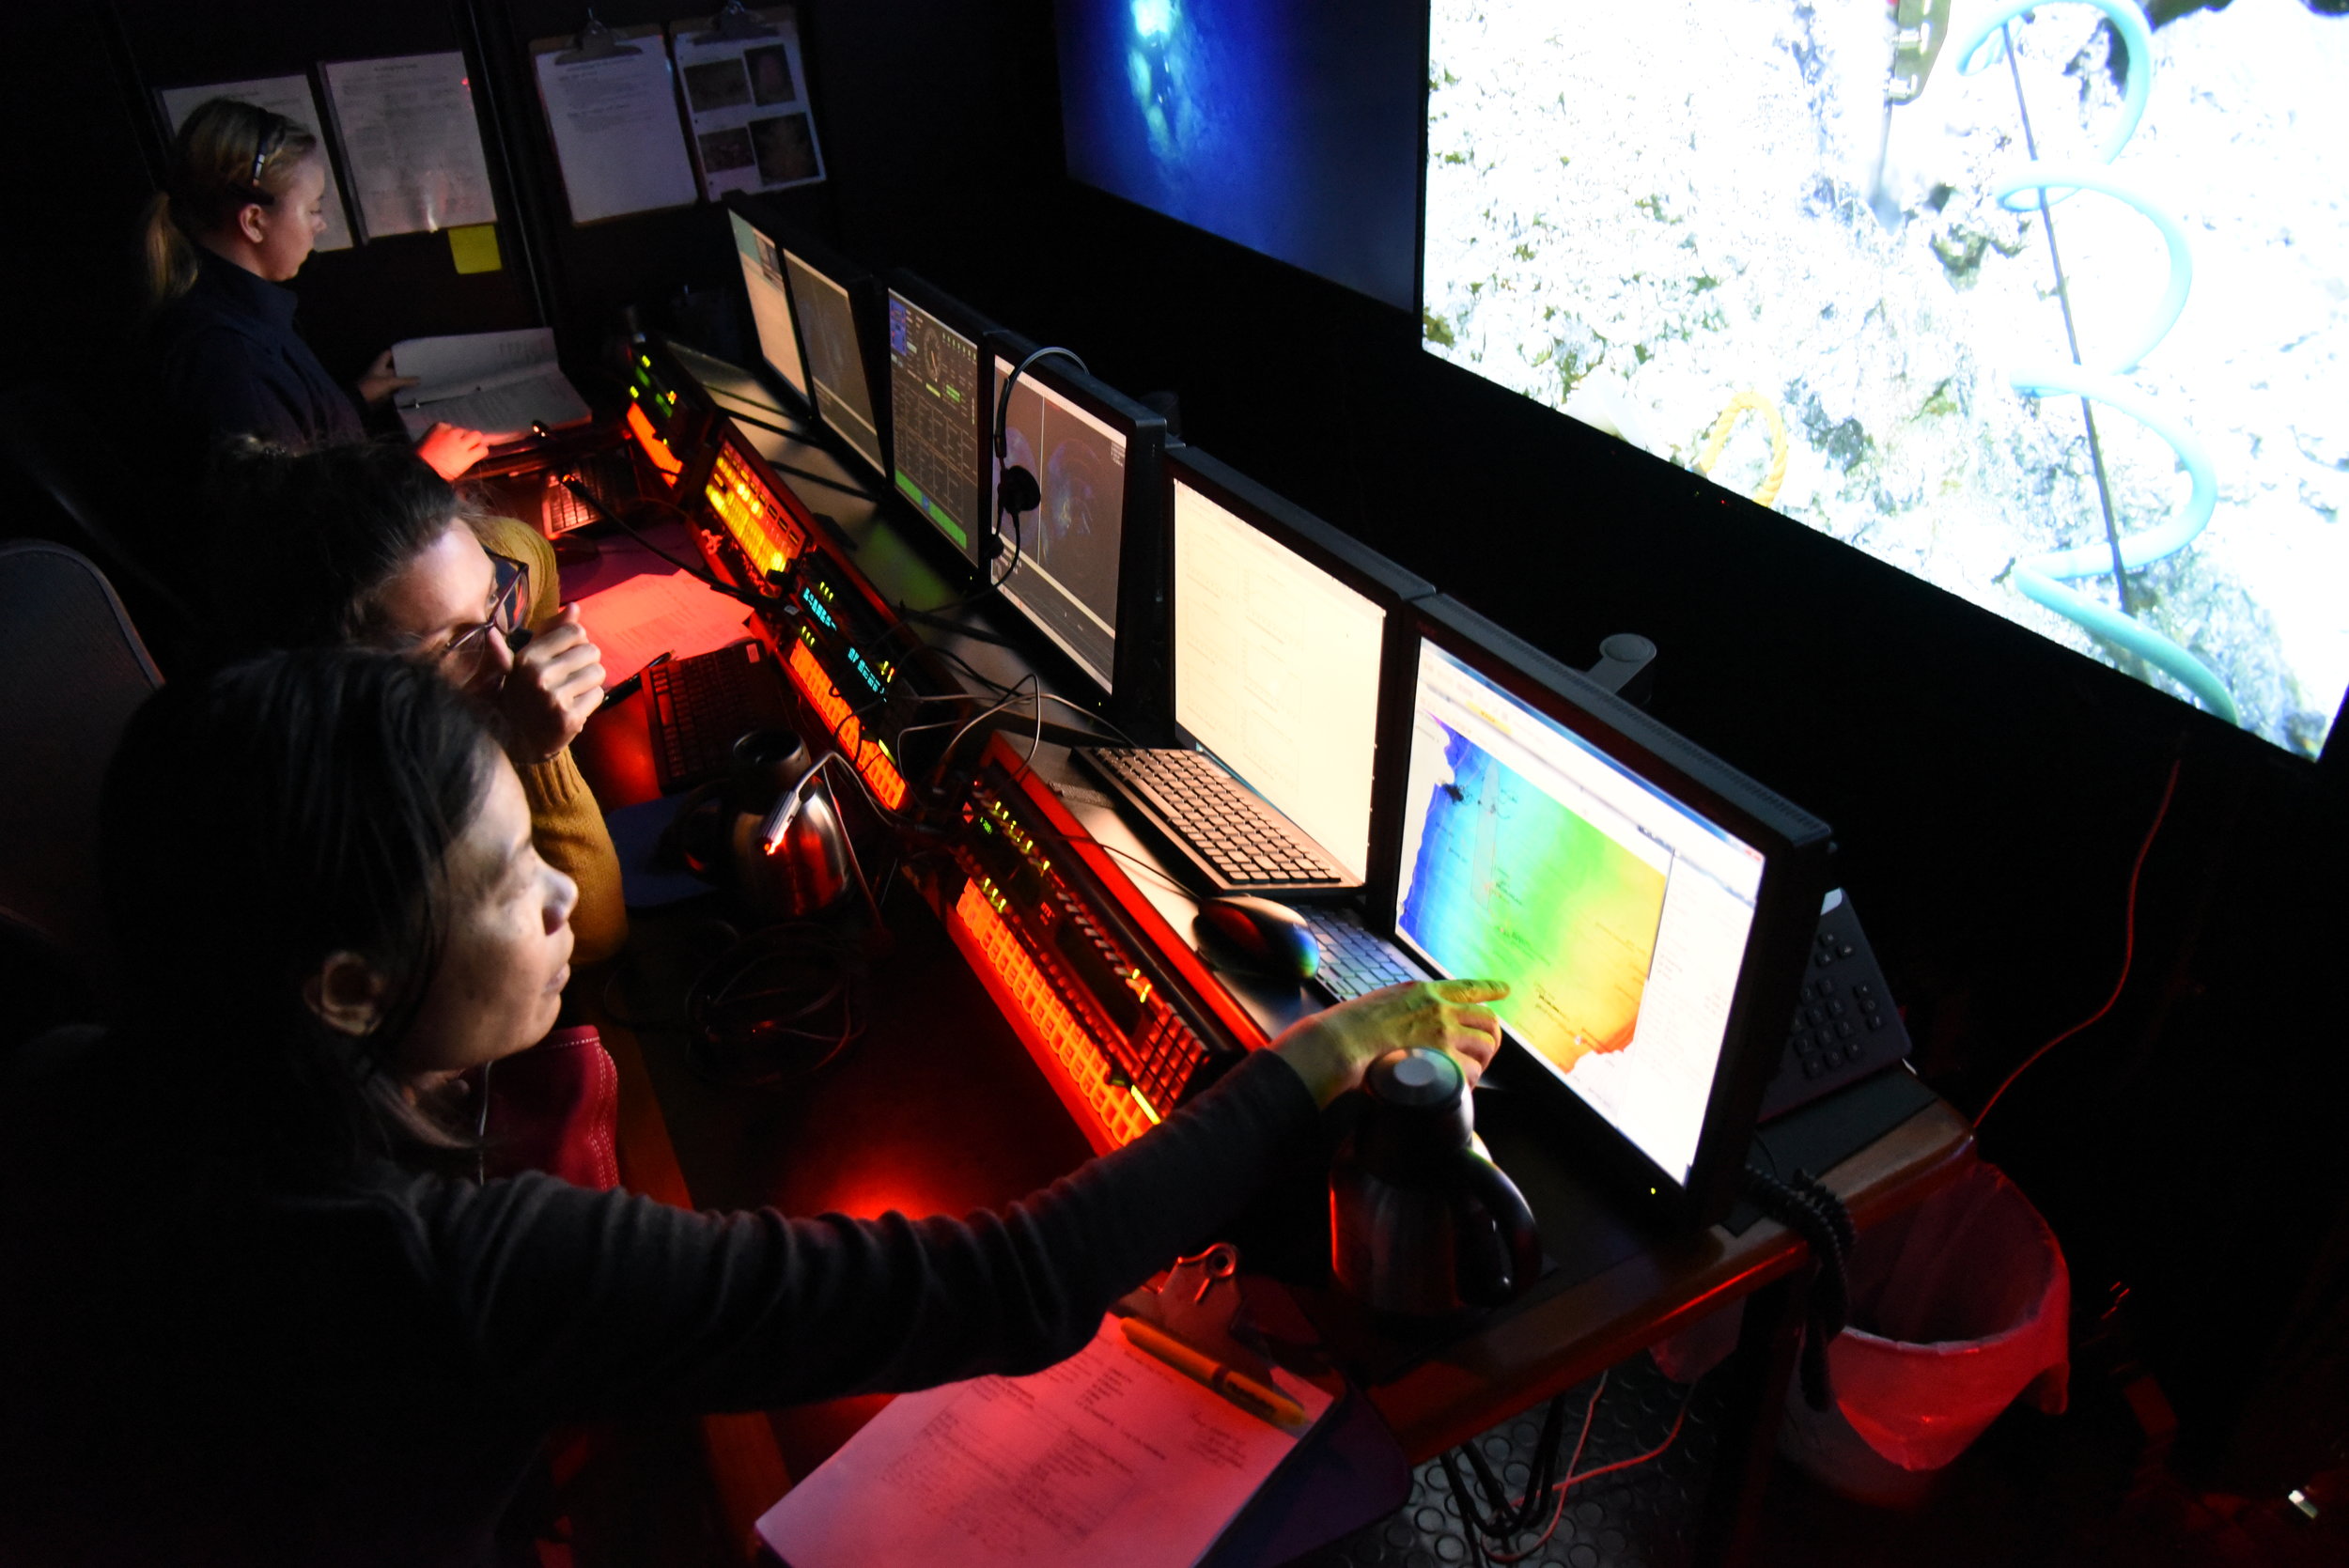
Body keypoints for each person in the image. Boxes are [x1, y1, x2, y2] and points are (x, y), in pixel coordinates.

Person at [0, 647, 1508, 1566]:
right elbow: (1012, 1284)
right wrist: (1316, 1062)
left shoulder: (73, 1078)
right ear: (342, 987)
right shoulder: (432, 1270)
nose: (553, 898)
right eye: (502, 874)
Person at [206, 436, 628, 967]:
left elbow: (528, 550)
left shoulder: (490, 557)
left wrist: (531, 627)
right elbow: (594, 937)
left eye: (494, 599)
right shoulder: (352, 807)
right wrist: (526, 753)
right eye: (453, 646)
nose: (506, 659)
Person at [140, 97, 484, 480]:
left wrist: (353, 400)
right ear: (254, 222)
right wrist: (423, 470)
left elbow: (296, 434)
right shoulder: (227, 360)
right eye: (313, 209)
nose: (319, 226)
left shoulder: (240, 312)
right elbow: (304, 523)